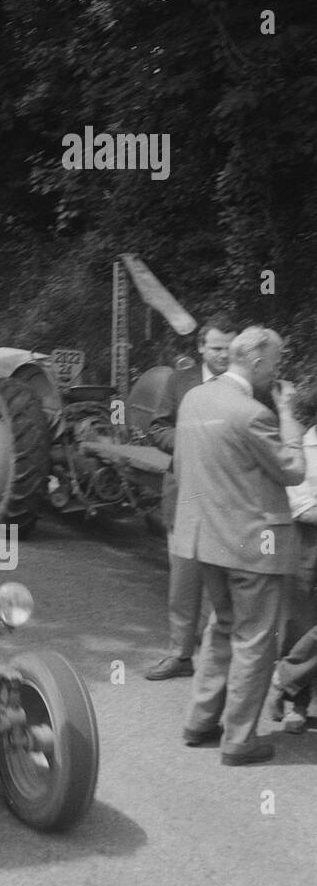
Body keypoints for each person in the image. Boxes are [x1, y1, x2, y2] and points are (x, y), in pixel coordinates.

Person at [175, 327, 306, 766]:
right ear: (253, 362)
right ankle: (239, 741)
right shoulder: (254, 414)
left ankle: (199, 721)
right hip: (254, 545)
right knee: (255, 641)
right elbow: (292, 470)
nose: (278, 370)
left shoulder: (195, 399)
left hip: (206, 539)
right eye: (275, 362)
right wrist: (289, 414)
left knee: (221, 629)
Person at [145, 314, 238, 680]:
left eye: (229, 349)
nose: (222, 356)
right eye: (216, 349)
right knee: (183, 581)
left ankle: (223, 661)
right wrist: (192, 439)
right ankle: (180, 655)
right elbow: (157, 428)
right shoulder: (179, 381)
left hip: (229, 500)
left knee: (227, 584)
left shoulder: (244, 386)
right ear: (201, 348)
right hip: (184, 494)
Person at [263, 381, 317, 731]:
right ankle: (295, 700)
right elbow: (302, 505)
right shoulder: (309, 442)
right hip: (309, 542)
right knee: (302, 622)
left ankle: (284, 678)